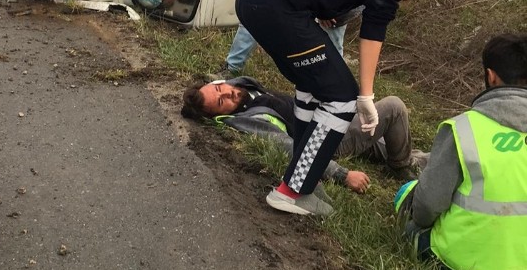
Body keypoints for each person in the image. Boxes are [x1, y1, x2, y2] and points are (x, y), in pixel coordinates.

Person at [235, 0, 442, 216]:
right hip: (279, 6)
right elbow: (376, 22)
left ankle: (303, 178)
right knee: (342, 96)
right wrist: (365, 95)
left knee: (312, 88)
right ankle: (292, 191)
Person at [396, 34, 527, 270]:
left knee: (412, 219)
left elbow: (427, 207)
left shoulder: (464, 128)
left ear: (491, 76)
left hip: (463, 265)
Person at [182, 77, 427, 197]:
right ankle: (401, 167)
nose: (228, 94)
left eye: (219, 88)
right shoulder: (249, 120)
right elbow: (289, 148)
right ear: (217, 116)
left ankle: (421, 164)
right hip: (329, 137)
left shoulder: (240, 87)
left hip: (329, 116)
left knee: (416, 155)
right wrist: (342, 174)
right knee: (393, 108)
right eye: (222, 102)